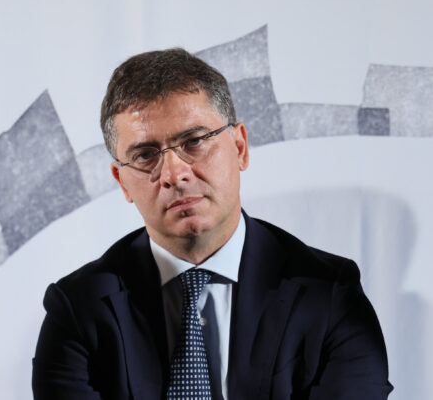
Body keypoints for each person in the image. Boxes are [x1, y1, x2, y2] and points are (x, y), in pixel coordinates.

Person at [32, 48, 393, 399]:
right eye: (145, 155)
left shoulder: (329, 294)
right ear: (122, 181)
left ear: (240, 148)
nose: (174, 174)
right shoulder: (77, 309)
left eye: (194, 141)